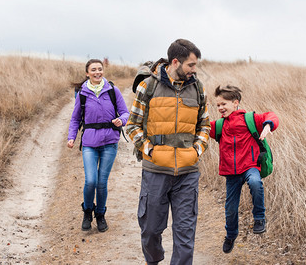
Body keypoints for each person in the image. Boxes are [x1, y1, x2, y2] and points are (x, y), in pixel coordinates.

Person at [126, 39, 210, 264]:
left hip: (188, 172)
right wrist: (150, 151)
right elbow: (132, 125)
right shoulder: (148, 86)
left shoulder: (198, 88)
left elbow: (204, 125)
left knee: (185, 234)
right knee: (151, 230)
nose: (194, 70)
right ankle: (153, 260)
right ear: (176, 62)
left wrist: (196, 151)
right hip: (156, 170)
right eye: (191, 65)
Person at [209, 85, 279, 254]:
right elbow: (201, 128)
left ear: (235, 103)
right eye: (218, 105)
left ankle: (259, 219)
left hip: (250, 166)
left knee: (255, 182)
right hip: (231, 173)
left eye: (223, 104)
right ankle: (231, 235)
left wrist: (268, 125)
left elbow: (271, 116)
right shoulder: (218, 125)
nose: (220, 108)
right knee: (231, 208)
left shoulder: (250, 118)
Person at [67, 59, 130, 232]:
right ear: (87, 73)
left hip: (110, 142)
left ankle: (100, 215)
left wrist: (121, 120)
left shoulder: (112, 90)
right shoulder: (82, 93)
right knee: (91, 181)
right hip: (89, 143)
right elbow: (75, 119)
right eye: (93, 70)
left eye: (100, 69)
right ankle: (88, 211)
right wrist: (71, 137)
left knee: (101, 183)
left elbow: (125, 112)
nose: (97, 72)